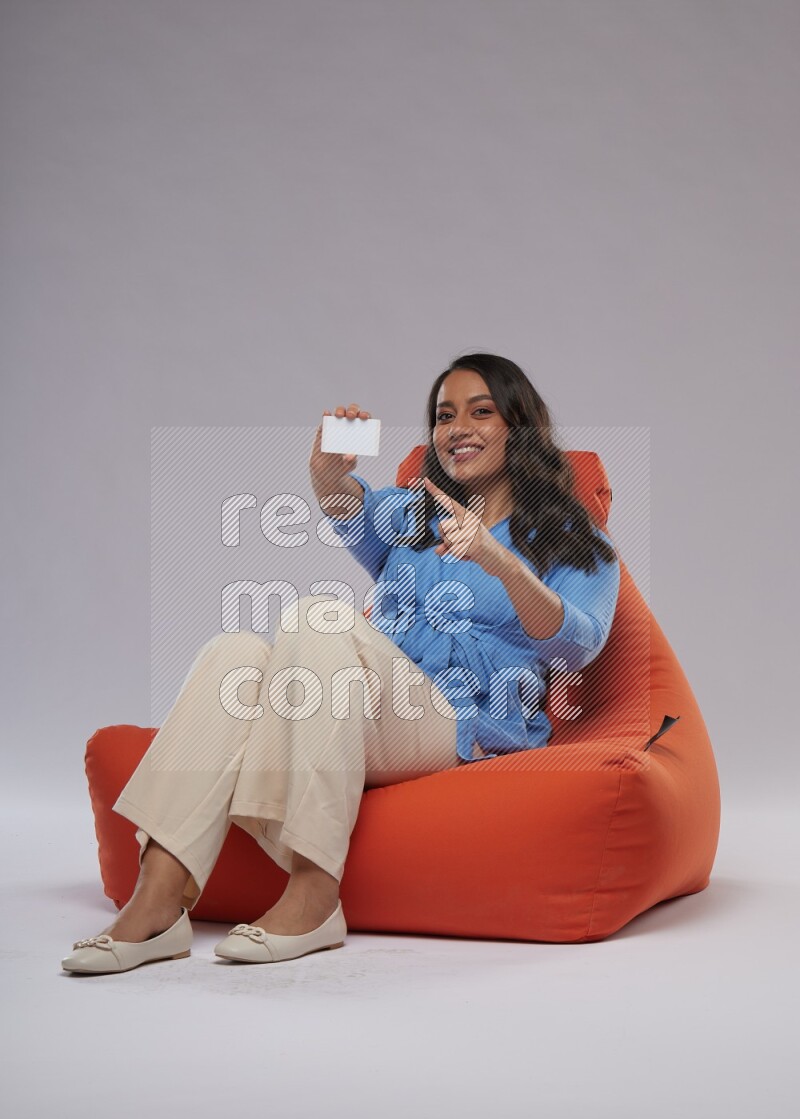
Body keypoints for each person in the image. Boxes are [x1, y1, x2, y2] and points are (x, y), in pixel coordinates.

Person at [61, 352, 620, 975]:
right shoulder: (416, 516)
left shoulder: (574, 538)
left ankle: (315, 890)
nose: (458, 427)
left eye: (480, 411)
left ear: (519, 426)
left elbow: (579, 645)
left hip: (462, 729)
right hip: (369, 715)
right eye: (444, 415)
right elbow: (350, 509)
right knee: (234, 654)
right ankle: (158, 898)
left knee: (319, 618)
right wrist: (326, 474)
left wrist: (502, 562)